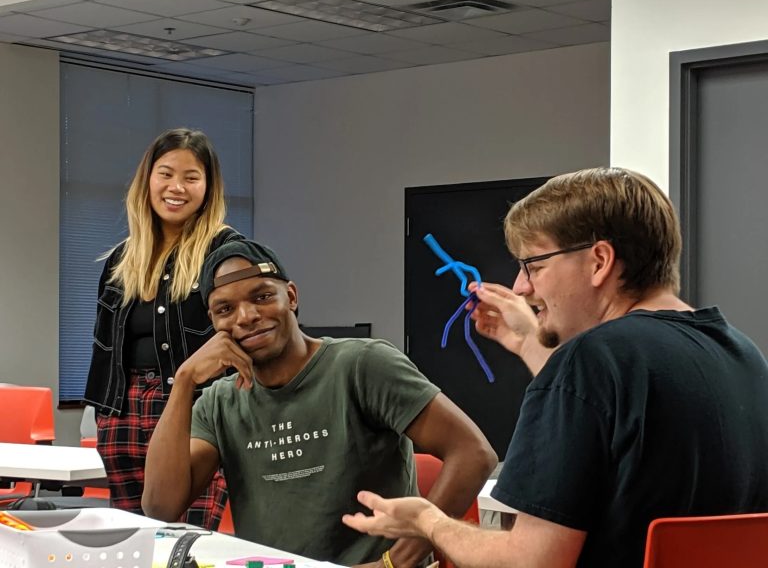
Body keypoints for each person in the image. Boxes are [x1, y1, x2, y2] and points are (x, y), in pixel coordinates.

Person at [342, 167, 768, 568]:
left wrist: (428, 521)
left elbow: (532, 559)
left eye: (534, 265)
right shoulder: (742, 355)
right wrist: (530, 343)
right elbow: (613, 411)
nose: (521, 286)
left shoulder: (590, 360)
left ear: (599, 261)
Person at [142, 239, 497, 567]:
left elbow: (474, 453)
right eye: (226, 309)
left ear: (291, 296)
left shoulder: (362, 366)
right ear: (214, 322)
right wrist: (184, 381)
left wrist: (396, 562)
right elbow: (161, 506)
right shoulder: (220, 402)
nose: (246, 316)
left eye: (262, 296)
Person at [83, 128, 243, 530]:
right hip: (121, 412)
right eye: (166, 174)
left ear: (208, 187)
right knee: (130, 540)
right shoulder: (122, 259)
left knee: (185, 540)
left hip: (193, 410)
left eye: (191, 177)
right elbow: (104, 348)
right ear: (148, 180)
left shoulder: (226, 253)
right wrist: (103, 416)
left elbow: (257, 328)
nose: (176, 188)